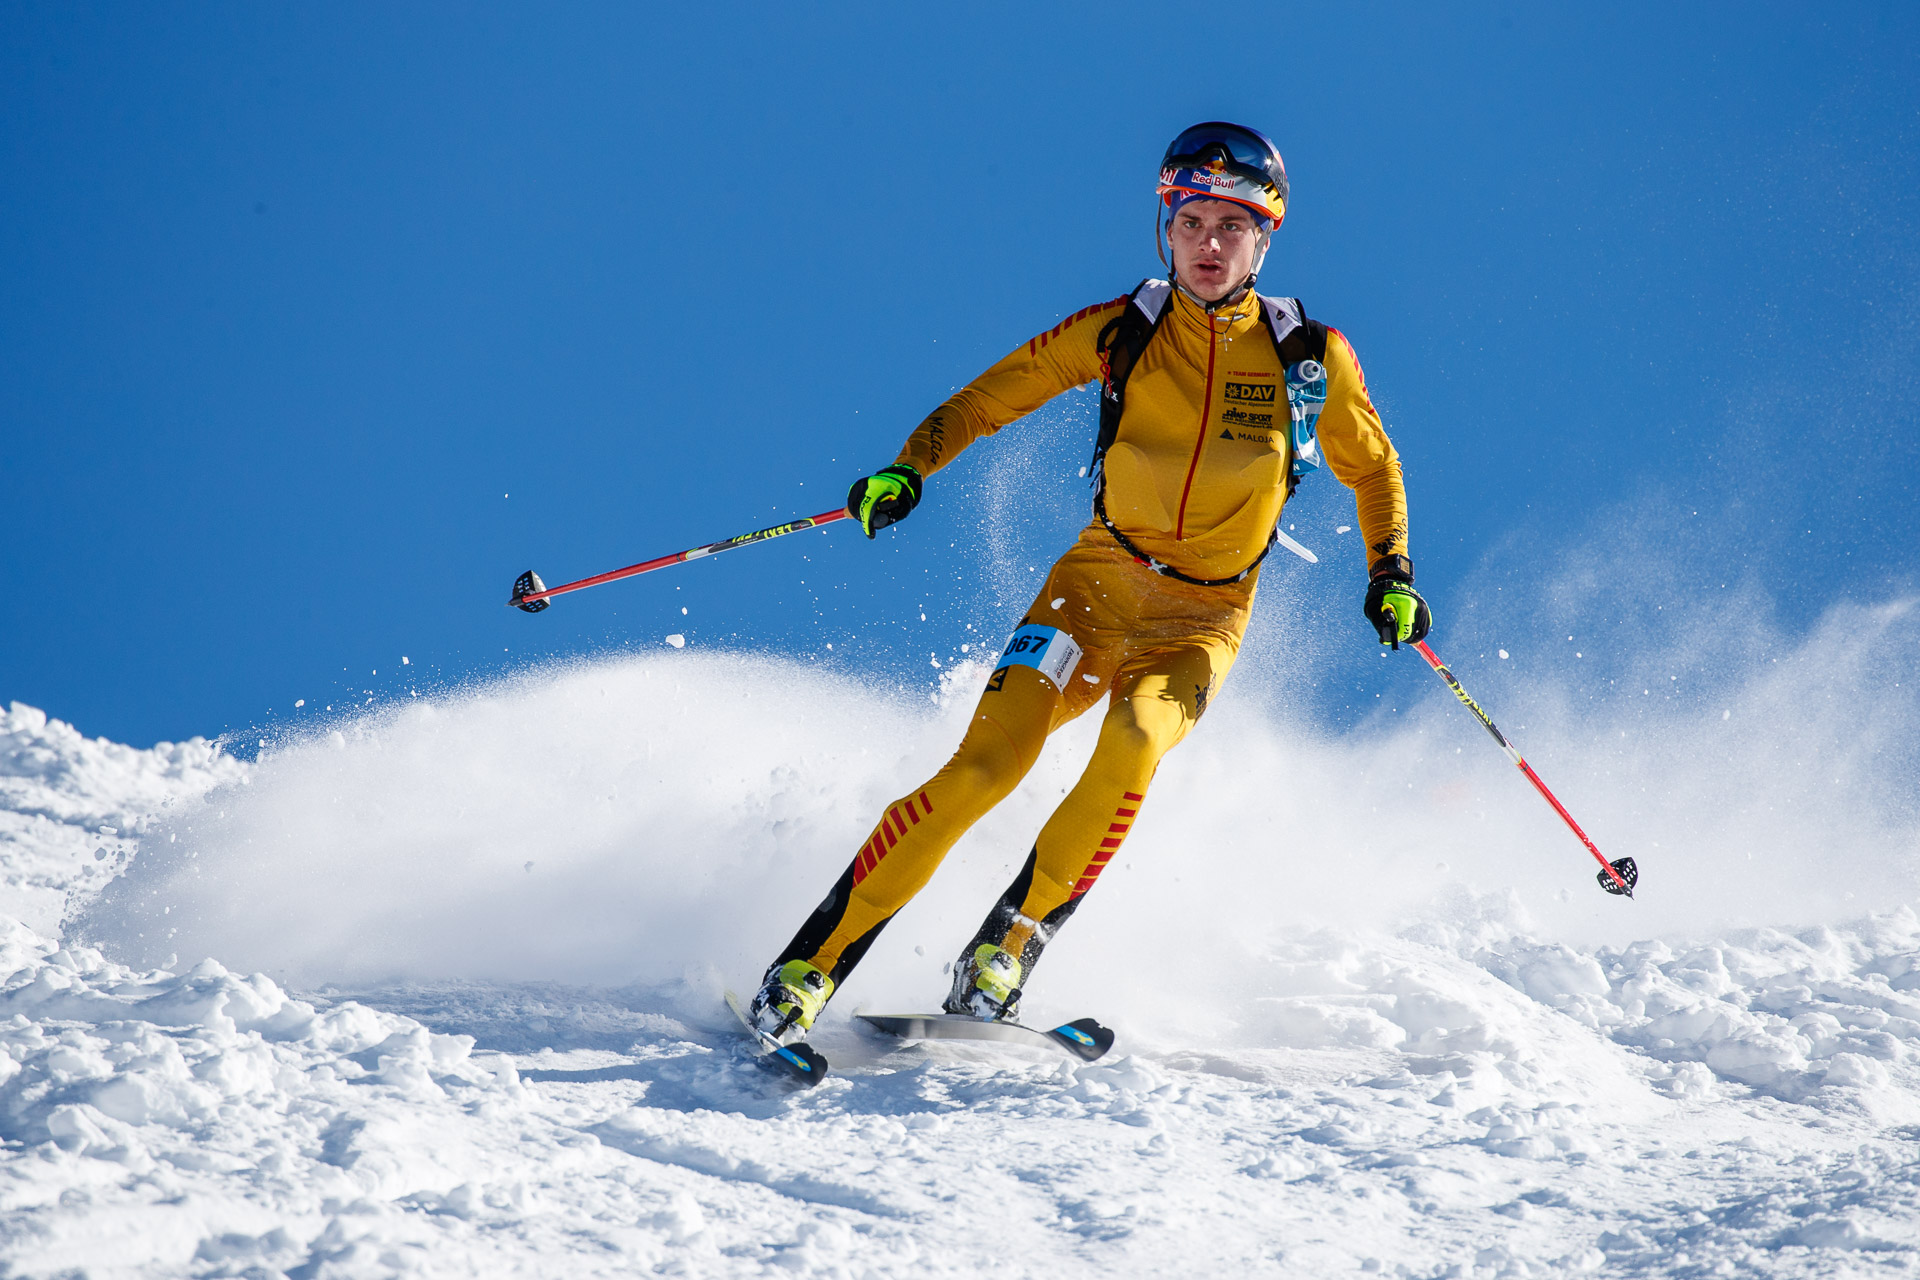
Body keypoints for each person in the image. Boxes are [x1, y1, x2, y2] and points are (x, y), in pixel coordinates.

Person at [748, 121, 1431, 1040]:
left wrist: (1391, 571)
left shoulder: (1309, 357)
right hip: (1092, 590)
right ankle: (807, 969)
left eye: (1233, 226)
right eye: (1192, 222)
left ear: (1264, 239)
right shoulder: (1123, 329)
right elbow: (993, 396)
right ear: (1168, 227)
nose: (1210, 244)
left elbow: (1374, 465)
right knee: (982, 770)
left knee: (1136, 740)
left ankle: (1006, 951)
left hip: (1201, 619)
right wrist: (910, 466)